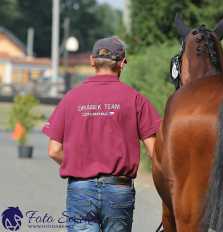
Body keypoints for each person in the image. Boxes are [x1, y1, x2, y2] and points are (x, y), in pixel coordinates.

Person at [42, 36, 161, 232]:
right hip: (119, 190)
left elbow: (54, 150)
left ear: (91, 61)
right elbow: (155, 152)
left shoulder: (71, 98)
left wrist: (81, 165)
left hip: (80, 189)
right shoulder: (136, 100)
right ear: (123, 63)